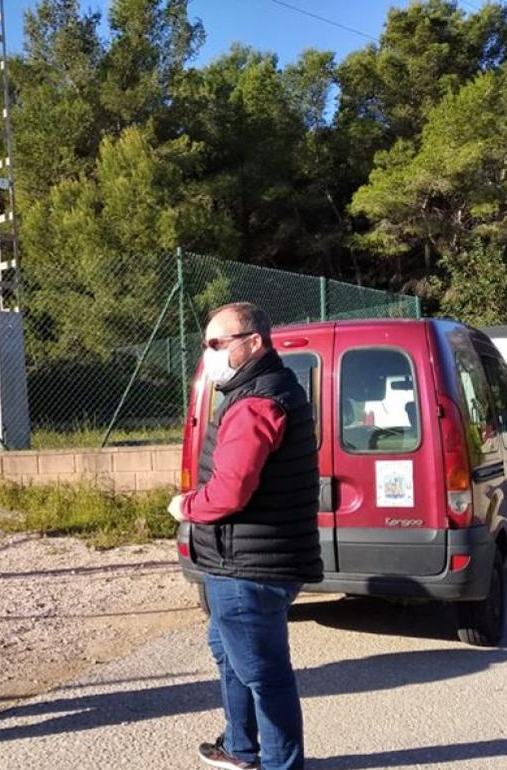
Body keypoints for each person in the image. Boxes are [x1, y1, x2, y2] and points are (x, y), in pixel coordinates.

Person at [169, 302, 322, 770]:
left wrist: (186, 506)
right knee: (227, 651)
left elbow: (230, 490)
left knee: (264, 674)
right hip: (240, 560)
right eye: (206, 344)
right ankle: (240, 745)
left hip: (247, 567)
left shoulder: (257, 402)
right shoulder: (268, 388)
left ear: (253, 342)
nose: (210, 352)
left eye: (219, 343)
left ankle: (280, 763)